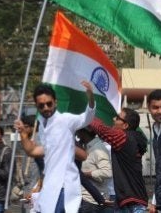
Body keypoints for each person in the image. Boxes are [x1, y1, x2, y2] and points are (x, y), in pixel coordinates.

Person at [15, 81, 96, 213]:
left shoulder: (65, 120)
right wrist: (23, 134)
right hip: (49, 186)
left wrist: (91, 97)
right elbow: (33, 151)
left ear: (55, 102)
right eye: (41, 105)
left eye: (49, 103)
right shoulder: (42, 127)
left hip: (64, 186)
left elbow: (87, 118)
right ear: (37, 106)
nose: (46, 107)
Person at [87, 107, 149, 212]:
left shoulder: (123, 137)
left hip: (131, 202)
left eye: (118, 118)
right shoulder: (132, 138)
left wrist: (89, 110)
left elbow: (101, 129)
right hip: (131, 200)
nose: (113, 119)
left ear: (125, 125)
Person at [77, 128, 112, 212]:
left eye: (79, 130)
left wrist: (85, 174)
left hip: (92, 202)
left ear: (85, 132)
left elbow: (107, 172)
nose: (77, 134)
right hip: (85, 199)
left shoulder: (98, 148)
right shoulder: (85, 147)